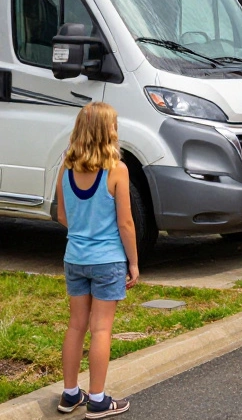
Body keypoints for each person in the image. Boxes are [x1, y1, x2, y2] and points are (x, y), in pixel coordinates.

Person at [56, 102, 138, 418]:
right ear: (109, 132)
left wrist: (83, 231)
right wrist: (133, 261)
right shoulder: (117, 170)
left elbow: (63, 215)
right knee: (101, 329)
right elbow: (126, 223)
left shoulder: (66, 168)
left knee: (76, 326)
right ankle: (99, 400)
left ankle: (70, 393)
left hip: (74, 257)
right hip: (108, 261)